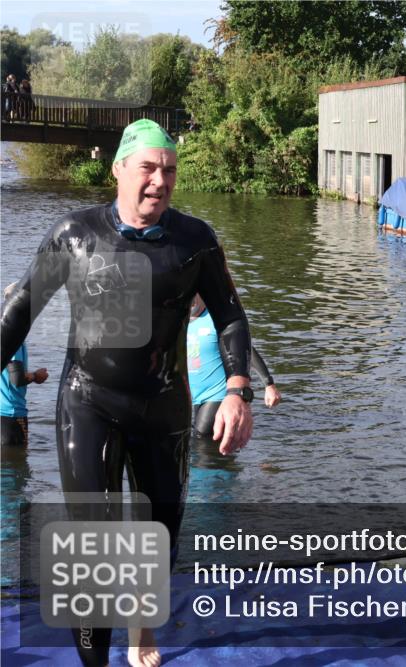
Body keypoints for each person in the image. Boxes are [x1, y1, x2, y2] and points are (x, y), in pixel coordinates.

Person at [0, 118, 254, 667]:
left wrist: (238, 389)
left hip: (164, 407)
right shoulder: (74, 233)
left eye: (169, 171)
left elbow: (230, 315)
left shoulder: (196, 240)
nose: (159, 181)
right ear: (118, 169)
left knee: (158, 540)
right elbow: (20, 309)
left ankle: (142, 627)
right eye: (148, 168)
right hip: (88, 401)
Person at [188, 293, 280, 437]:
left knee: (202, 438)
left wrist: (269, 385)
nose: (191, 301)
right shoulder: (182, 321)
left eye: (195, 295)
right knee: (203, 441)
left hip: (218, 394)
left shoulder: (216, 319)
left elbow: (247, 351)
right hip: (196, 395)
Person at [1, 286, 49, 447]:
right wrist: (36, 376)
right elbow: (16, 378)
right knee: (16, 469)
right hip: (11, 415)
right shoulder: (14, 338)